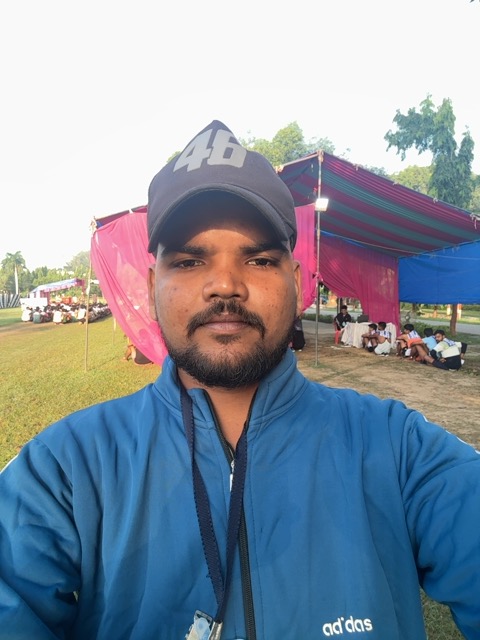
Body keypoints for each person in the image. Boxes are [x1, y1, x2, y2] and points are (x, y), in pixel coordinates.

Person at [0, 120, 479, 640]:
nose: (225, 284)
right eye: (189, 260)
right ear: (152, 287)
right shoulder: (65, 469)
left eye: (258, 259)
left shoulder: (398, 450)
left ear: (296, 284)